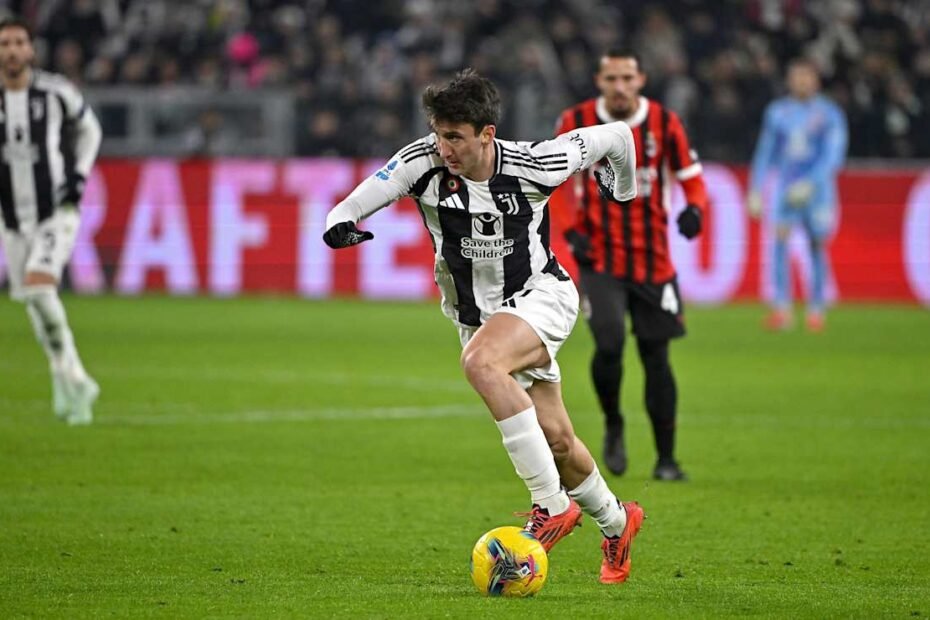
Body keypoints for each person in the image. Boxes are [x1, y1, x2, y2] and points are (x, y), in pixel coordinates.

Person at [323, 69, 645, 584]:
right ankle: (618, 522)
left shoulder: (536, 163)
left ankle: (551, 505)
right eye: (438, 133)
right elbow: (366, 195)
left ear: (487, 134)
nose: (444, 147)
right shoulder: (422, 163)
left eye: (455, 136)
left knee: (480, 363)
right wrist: (339, 221)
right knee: (559, 442)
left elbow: (618, 136)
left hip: (541, 296)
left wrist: (622, 191)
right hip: (477, 318)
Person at [554, 48, 708, 481]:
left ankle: (667, 459)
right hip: (599, 257)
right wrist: (571, 230)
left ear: (641, 80)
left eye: (627, 78)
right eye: (611, 79)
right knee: (609, 344)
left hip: (653, 261)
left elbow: (691, 178)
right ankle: (613, 422)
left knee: (656, 357)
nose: (620, 87)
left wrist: (695, 208)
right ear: (599, 82)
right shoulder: (576, 120)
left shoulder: (665, 123)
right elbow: (558, 180)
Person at [0, 16, 102, 425]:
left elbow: (90, 131)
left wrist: (78, 177)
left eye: (18, 42)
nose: (12, 51)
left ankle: (74, 378)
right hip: (12, 220)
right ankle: (68, 378)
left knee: (40, 289)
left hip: (55, 212)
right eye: (4, 44)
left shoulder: (56, 92)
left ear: (31, 49)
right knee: (36, 303)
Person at [747, 58, 848, 332]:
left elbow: (833, 156)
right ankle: (783, 309)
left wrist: (811, 184)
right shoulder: (777, 112)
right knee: (779, 242)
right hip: (785, 187)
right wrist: (755, 189)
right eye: (797, 76)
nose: (802, 81)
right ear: (789, 80)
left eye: (806, 76)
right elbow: (765, 152)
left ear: (816, 80)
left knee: (816, 244)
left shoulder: (830, 114)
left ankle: (816, 309)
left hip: (818, 191)